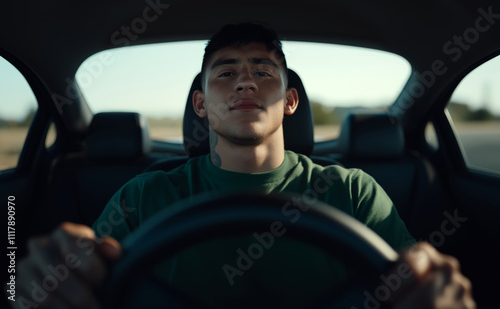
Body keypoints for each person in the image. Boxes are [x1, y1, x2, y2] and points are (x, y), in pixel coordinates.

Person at [14, 23, 476, 309]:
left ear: (290, 100)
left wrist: (432, 289)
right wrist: (54, 277)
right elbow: (83, 277)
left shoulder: (354, 191)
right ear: (200, 104)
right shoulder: (144, 195)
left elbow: (410, 284)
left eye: (263, 71)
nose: (245, 84)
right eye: (226, 73)